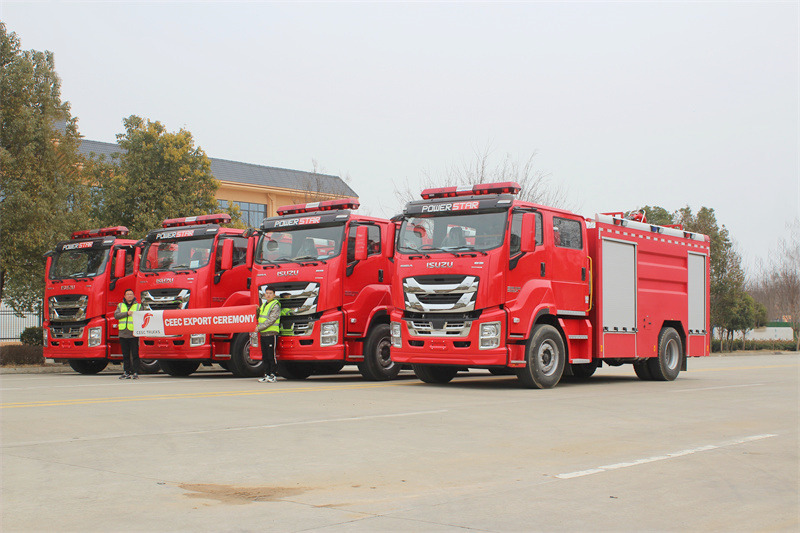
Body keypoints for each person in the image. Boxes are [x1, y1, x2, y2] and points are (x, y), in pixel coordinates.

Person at [256, 286, 281, 383]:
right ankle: (266, 374)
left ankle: (273, 375)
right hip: (263, 334)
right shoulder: (263, 305)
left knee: (271, 356)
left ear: (274, 295)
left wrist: (258, 328)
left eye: (270, 293)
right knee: (265, 356)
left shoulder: (275, 305)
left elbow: (271, 320)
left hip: (271, 334)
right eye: (266, 293)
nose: (268, 295)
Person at [115, 289, 141, 379]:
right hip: (123, 333)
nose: (129, 296)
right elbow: (116, 315)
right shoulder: (120, 305)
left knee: (135, 354)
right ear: (125, 296)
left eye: (131, 294)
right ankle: (126, 372)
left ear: (134, 296)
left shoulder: (138, 306)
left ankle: (136, 372)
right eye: (127, 294)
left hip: (133, 333)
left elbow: (143, 316)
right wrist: (127, 313)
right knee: (125, 355)